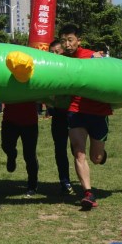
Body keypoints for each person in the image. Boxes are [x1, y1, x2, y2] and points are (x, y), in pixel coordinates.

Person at [60, 24, 109, 210]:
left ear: (78, 40)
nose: (67, 44)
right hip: (76, 110)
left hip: (98, 111)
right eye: (64, 41)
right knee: (78, 152)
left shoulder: (90, 56)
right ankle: (88, 193)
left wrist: (100, 59)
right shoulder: (60, 60)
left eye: (70, 40)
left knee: (96, 157)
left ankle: (102, 155)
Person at [46, 40, 74, 195]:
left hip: (74, 113)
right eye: (52, 52)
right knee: (60, 149)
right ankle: (64, 181)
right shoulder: (49, 70)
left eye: (57, 51)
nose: (55, 55)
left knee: (77, 149)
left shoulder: (73, 66)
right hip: (58, 114)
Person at [1, 101, 39, 197]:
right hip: (10, 119)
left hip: (30, 121)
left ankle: (32, 186)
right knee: (6, 146)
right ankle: (12, 155)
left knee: (29, 155)